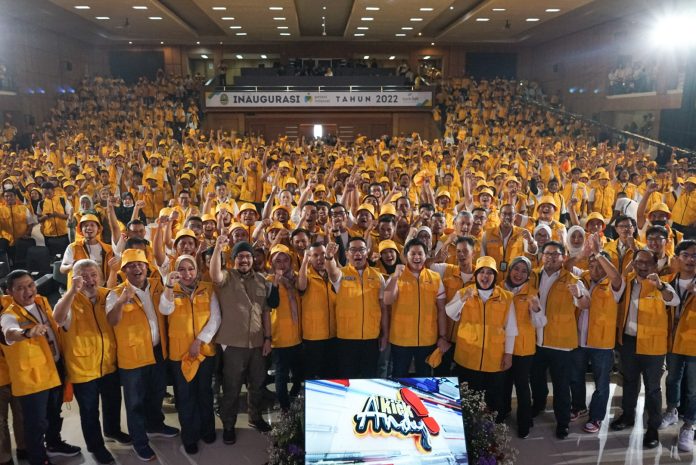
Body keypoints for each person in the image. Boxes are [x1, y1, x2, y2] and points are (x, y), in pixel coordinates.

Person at [0, 270, 81, 465]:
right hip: (32, 379)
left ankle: (53, 443)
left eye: (30, 285)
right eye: (20, 288)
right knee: (35, 423)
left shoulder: (42, 302)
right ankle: (38, 459)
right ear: (10, 292)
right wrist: (26, 333)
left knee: (54, 413)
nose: (27, 291)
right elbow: (9, 332)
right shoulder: (9, 314)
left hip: (54, 369)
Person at [52, 259, 129, 464]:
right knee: (89, 410)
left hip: (108, 362)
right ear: (74, 278)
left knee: (113, 401)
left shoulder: (107, 294)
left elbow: (114, 320)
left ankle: (113, 430)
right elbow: (58, 318)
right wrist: (71, 292)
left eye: (93, 274)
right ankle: (96, 447)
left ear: (100, 276)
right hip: (82, 367)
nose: (89, 280)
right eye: (84, 276)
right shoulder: (69, 300)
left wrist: (120, 302)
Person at [106, 249, 179, 462]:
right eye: (131, 266)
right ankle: (140, 442)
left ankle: (155, 424)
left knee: (156, 393)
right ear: (124, 270)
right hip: (133, 357)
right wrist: (121, 301)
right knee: (135, 402)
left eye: (140, 265)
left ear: (147, 267)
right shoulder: (115, 292)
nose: (137, 269)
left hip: (158, 351)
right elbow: (111, 321)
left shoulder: (159, 285)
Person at [610, 249, 679, 449]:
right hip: (629, 343)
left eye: (647, 263)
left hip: (653, 346)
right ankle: (628, 416)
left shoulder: (662, 283)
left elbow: (673, 299)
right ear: (634, 263)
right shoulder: (628, 282)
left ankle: (652, 428)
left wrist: (660, 285)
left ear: (654, 265)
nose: (642, 265)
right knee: (630, 382)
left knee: (653, 389)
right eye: (639, 262)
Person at [209, 237, 274, 446]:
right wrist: (218, 248)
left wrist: (268, 339)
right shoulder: (226, 277)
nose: (245, 260)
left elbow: (266, 312)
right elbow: (214, 274)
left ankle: (255, 417)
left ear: (253, 259)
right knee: (232, 386)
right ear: (233, 259)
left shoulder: (263, 281)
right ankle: (229, 424)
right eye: (240, 256)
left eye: (248, 256)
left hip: (256, 343)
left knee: (257, 383)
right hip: (233, 344)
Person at [159, 255, 220, 455]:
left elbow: (215, 319)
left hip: (203, 352)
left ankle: (207, 430)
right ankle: (190, 436)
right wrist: (169, 285)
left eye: (191, 269)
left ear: (196, 270)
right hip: (180, 355)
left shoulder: (207, 288)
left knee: (204, 393)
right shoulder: (170, 289)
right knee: (185, 397)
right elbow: (165, 309)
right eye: (182, 269)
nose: (187, 274)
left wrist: (199, 341)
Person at [529, 241, 590, 439]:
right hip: (535, 340)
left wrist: (579, 294)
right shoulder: (533, 276)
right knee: (537, 380)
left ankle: (562, 422)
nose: (551, 257)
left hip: (561, 343)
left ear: (563, 257)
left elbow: (585, 304)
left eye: (556, 254)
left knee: (561, 386)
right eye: (547, 254)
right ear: (542, 256)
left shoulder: (572, 279)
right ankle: (538, 406)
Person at [445, 256, 517, 422]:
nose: (485, 276)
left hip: (494, 358)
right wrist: (463, 299)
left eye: (489, 273)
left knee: (494, 399)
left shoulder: (506, 297)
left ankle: (494, 433)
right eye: (481, 272)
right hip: (468, 357)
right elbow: (450, 312)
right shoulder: (464, 292)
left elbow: (511, 328)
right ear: (476, 275)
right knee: (469, 399)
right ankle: (470, 430)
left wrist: (508, 354)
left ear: (495, 276)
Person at [571, 236, 624, 434]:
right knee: (575, 377)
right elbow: (566, 267)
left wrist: (599, 254)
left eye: (600, 265)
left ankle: (596, 417)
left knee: (601, 384)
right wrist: (583, 255)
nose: (595, 269)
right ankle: (579, 407)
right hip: (579, 340)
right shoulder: (582, 276)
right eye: (592, 264)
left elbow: (616, 276)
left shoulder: (614, 284)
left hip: (601, 344)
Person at [384, 239, 449, 377]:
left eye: (420, 253)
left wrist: (443, 336)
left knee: (424, 379)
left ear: (426, 256)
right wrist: (395, 277)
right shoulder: (396, 277)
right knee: (399, 377)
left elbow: (441, 309)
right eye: (412, 253)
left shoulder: (435, 278)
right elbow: (388, 300)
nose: (416, 257)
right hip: (401, 340)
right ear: (406, 256)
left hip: (427, 340)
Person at [325, 237, 388, 378]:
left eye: (361, 250)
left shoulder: (378, 276)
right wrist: (329, 257)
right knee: (348, 377)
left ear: (367, 253)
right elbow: (331, 271)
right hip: (347, 339)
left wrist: (385, 335)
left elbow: (383, 308)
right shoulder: (341, 275)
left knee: (369, 377)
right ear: (347, 254)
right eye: (353, 250)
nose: (357, 253)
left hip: (371, 338)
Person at [660, 240, 696, 452]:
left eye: (695, 256)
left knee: (693, 389)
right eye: (687, 255)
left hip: (693, 344)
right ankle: (672, 411)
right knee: (672, 379)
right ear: (678, 258)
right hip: (672, 342)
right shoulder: (668, 282)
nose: (691, 259)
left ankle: (689, 425)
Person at [501, 256, 536, 438]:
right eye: (516, 269)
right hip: (501, 345)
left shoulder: (532, 293)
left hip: (523, 347)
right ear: (510, 269)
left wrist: (536, 309)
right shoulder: (498, 287)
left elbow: (539, 321)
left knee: (522, 385)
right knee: (503, 383)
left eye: (524, 271)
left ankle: (524, 422)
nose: (519, 274)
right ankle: (502, 411)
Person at [267, 244, 302, 411]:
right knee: (281, 375)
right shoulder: (268, 281)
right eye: (277, 261)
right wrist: (275, 282)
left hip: (298, 335)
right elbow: (270, 304)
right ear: (272, 263)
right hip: (279, 336)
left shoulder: (297, 280)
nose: (282, 264)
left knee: (298, 374)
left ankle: (294, 397)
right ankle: (285, 407)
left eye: (285, 260)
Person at [297, 242, 336, 380]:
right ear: (310, 258)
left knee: (330, 373)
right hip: (313, 336)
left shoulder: (334, 275)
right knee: (311, 374)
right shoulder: (305, 275)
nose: (320, 258)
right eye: (315, 255)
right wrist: (304, 263)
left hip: (333, 334)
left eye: (323, 255)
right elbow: (301, 286)